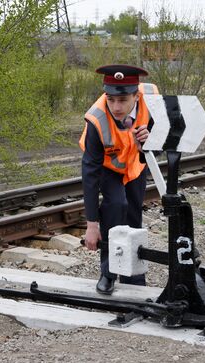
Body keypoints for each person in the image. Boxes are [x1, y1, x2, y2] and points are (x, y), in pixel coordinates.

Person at [79, 64, 157, 295]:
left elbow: (168, 139)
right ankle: (108, 272)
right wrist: (92, 224)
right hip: (107, 166)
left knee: (134, 216)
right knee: (116, 205)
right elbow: (89, 174)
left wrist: (151, 142)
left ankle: (134, 276)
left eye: (122, 100)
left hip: (135, 164)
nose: (116, 106)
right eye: (111, 99)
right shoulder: (96, 119)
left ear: (136, 95)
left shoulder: (152, 100)